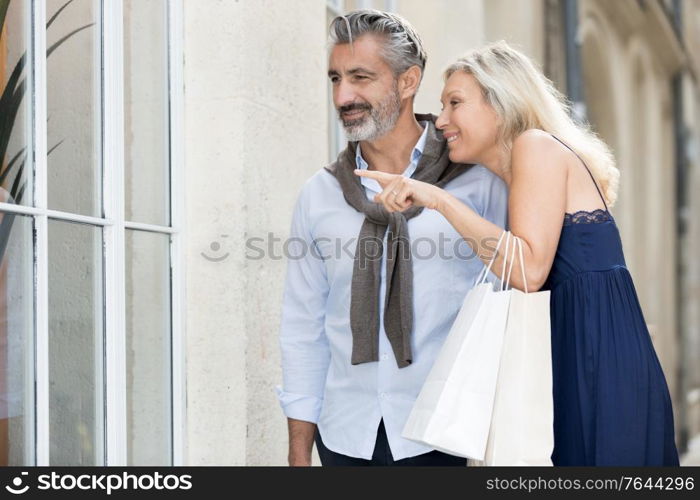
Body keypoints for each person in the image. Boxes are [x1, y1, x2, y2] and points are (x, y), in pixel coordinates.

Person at [357, 40, 680, 466]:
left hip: (592, 361)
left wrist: (438, 199)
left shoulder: (535, 145)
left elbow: (526, 270)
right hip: (580, 355)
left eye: (455, 102)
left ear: (501, 103)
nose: (442, 120)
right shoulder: (521, 169)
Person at [275, 10, 508, 466]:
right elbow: (303, 326)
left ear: (407, 82)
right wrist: (299, 449)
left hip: (446, 436)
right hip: (345, 436)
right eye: (336, 78)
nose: (344, 96)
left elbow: (510, 300)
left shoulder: (478, 185)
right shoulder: (319, 194)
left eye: (361, 77)